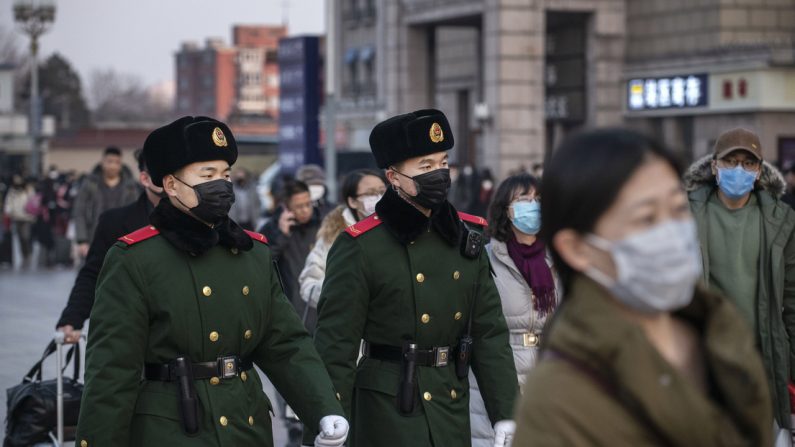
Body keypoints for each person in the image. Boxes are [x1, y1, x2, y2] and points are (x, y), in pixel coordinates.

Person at [75, 116, 348, 447]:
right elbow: (111, 375)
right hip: (171, 429)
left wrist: (323, 407)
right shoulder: (135, 259)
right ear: (171, 185)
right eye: (207, 175)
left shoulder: (251, 253)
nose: (221, 185)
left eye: (225, 175)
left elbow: (285, 343)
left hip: (245, 424)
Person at [512, 128, 772, 446]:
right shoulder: (557, 400)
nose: (672, 232)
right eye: (646, 219)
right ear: (577, 248)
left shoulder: (719, 330)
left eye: (678, 210)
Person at [313, 109, 518, 447]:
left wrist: (506, 411)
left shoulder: (464, 236)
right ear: (393, 177)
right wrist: (323, 420)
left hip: (449, 398)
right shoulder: (361, 246)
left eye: (442, 163)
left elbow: (489, 332)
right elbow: (335, 345)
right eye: (425, 167)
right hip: (387, 406)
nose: (438, 174)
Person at [683, 127, 795, 438]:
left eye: (748, 163)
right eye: (731, 162)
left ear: (759, 171)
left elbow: (792, 298)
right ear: (714, 166)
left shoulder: (780, 221)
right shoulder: (686, 215)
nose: (739, 170)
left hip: (762, 360)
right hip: (706, 358)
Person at [469, 173, 561, 447]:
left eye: (538, 199)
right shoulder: (486, 259)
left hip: (549, 376)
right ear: (506, 210)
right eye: (523, 199)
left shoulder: (559, 259)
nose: (532, 205)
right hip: (499, 376)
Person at [56, 150, 166, 344]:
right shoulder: (112, 218)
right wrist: (72, 318)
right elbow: (94, 273)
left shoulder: (199, 220)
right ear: (145, 178)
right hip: (132, 332)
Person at [298, 169, 386, 313]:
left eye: (383, 191)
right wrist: (341, 290)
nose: (378, 197)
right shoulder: (335, 236)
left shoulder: (398, 229)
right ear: (352, 201)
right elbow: (309, 284)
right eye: (370, 193)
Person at [259, 179, 322, 329]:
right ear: (286, 207)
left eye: (308, 204)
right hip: (290, 305)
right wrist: (282, 235)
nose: (306, 210)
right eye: (299, 206)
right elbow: (262, 263)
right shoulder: (271, 229)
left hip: (318, 302)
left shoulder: (320, 225)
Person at [72, 146, 139, 259]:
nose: (112, 166)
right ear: (103, 162)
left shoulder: (130, 187)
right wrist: (82, 240)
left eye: (116, 162)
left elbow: (135, 214)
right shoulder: (90, 184)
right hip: (93, 238)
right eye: (109, 161)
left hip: (122, 241)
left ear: (120, 164)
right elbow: (80, 211)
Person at [3, 175, 36, 268]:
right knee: (20, 237)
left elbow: (33, 202)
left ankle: (28, 253)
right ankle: (24, 254)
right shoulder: (12, 190)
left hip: (27, 217)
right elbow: (8, 202)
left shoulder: (29, 190)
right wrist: (8, 212)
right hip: (16, 217)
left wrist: (32, 213)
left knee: (26, 236)